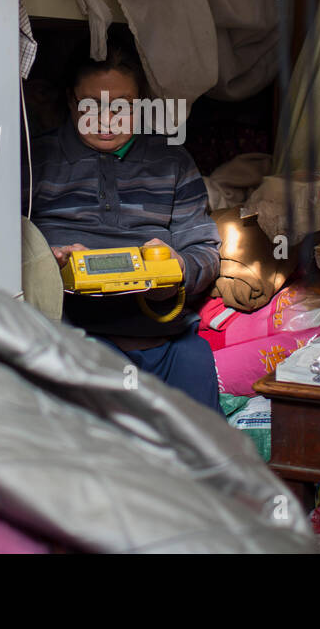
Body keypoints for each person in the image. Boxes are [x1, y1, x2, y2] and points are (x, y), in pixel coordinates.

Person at [27, 31, 222, 412]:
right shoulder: (35, 159)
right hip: (73, 336)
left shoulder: (171, 162)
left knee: (202, 449)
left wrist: (175, 270)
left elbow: (205, 250)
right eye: (91, 106)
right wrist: (44, 263)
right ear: (70, 101)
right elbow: (2, 242)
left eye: (122, 106)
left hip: (164, 339)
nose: (107, 120)